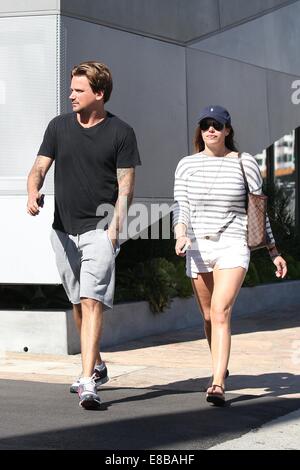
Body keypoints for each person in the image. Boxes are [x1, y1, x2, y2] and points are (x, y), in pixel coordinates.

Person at [27, 61, 141, 409]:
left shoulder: (121, 132)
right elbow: (38, 168)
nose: (71, 95)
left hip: (99, 230)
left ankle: (87, 381)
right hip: (63, 230)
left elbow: (125, 190)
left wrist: (113, 233)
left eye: (78, 90)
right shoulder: (58, 127)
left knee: (92, 302)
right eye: (71, 89)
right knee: (78, 302)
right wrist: (33, 191)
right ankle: (98, 364)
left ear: (99, 94)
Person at [173, 105, 287, 406]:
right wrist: (180, 233)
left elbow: (258, 212)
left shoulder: (243, 162)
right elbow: (180, 205)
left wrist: (273, 251)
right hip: (198, 246)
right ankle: (220, 365)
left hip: (232, 244)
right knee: (209, 316)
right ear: (200, 130)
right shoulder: (186, 165)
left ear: (227, 130)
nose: (211, 130)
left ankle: (217, 382)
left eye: (217, 125)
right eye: (206, 124)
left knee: (222, 311)